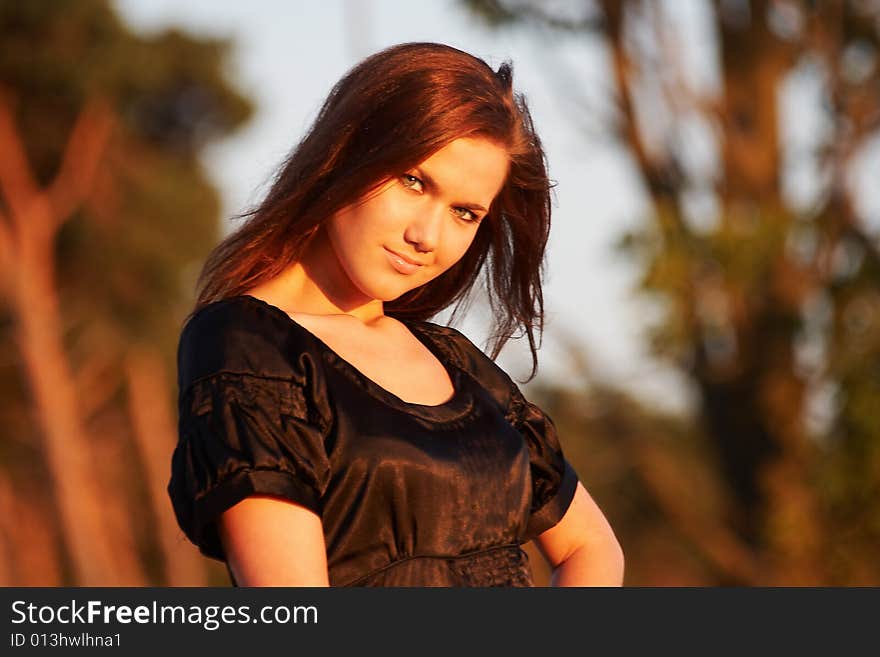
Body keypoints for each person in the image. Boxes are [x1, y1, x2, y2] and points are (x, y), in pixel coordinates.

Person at [168, 42, 624, 587]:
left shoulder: (458, 364)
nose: (425, 236)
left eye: (464, 212)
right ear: (348, 151)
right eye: (414, 181)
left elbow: (591, 548)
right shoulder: (249, 349)